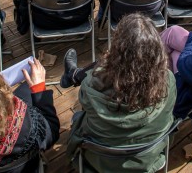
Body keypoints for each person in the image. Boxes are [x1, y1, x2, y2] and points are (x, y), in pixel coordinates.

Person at [64, 14, 176, 172]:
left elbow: (86, 105)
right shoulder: (169, 80)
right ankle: (73, 74)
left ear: (117, 48)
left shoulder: (91, 85)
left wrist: (106, 64)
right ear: (157, 51)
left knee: (77, 117)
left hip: (100, 161)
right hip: (147, 158)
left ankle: (73, 74)